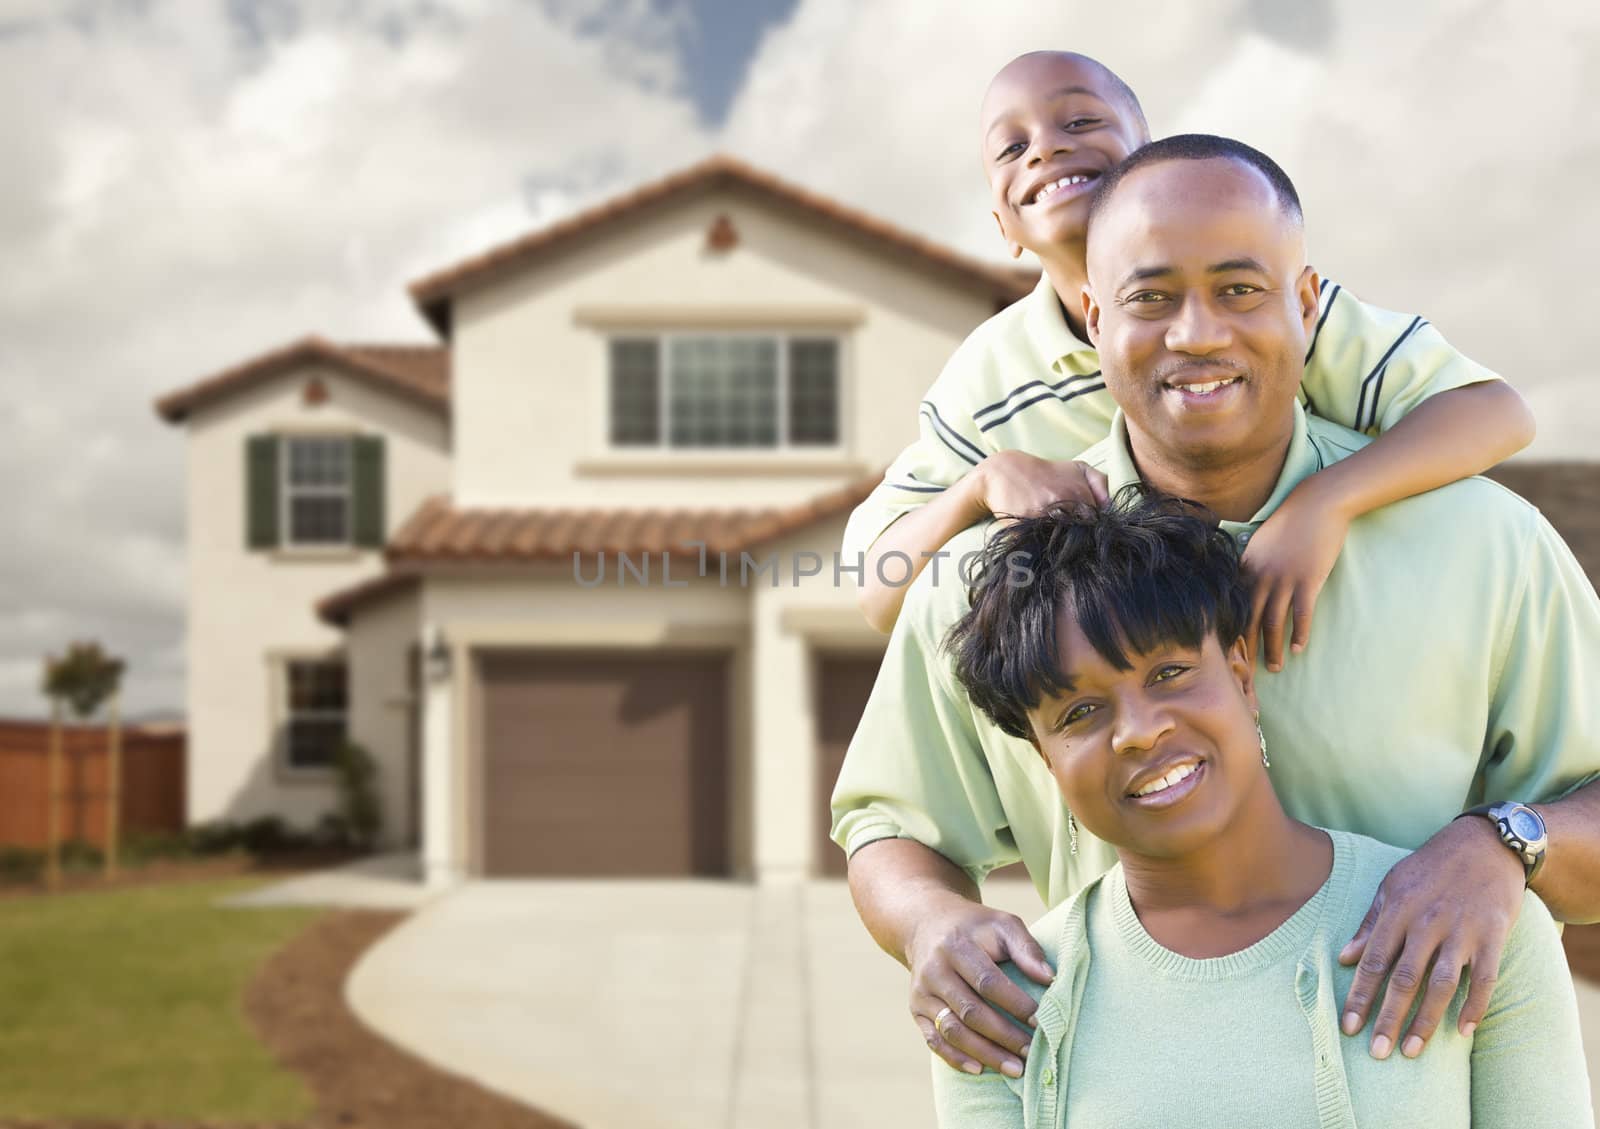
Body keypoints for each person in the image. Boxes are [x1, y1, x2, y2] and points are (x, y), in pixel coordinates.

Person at [831, 134, 1600, 1084]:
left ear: (1306, 303)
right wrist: (931, 924)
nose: (1196, 333)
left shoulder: (1487, 544)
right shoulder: (990, 581)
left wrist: (1506, 845)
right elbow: (889, 822)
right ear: (1092, 313)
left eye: (1240, 289)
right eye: (1150, 298)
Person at [843, 51, 1534, 680]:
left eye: (1080, 120)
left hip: (1327, 648)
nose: (1047, 148)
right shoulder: (988, 378)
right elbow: (878, 590)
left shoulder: (1270, 315)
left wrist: (1324, 501)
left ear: (1153, 158)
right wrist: (979, 485)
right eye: (1012, 147)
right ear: (1001, 224)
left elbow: (1495, 413)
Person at [929, 491, 1593, 1128]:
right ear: (1048, 761)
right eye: (1079, 712)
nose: (1137, 730)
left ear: (1242, 677)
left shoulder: (1470, 924)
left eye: (1167, 674)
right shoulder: (999, 1001)